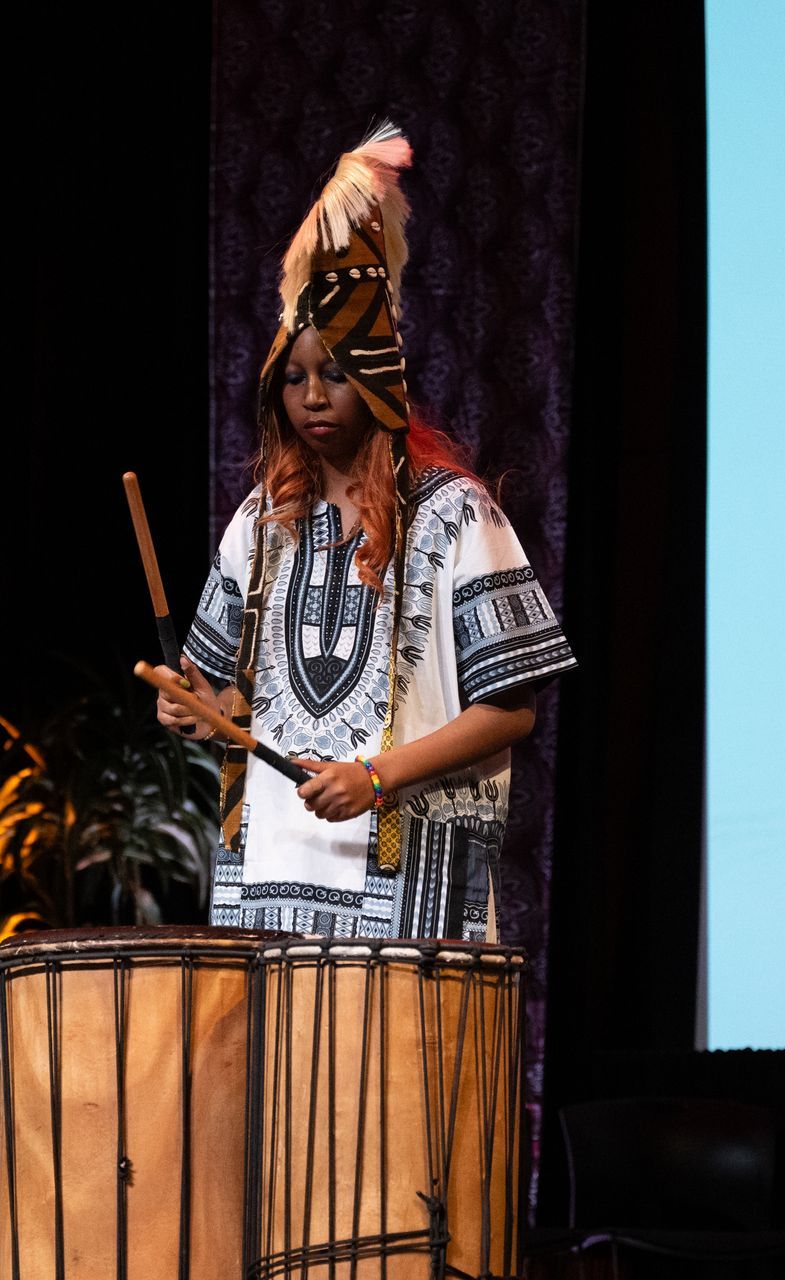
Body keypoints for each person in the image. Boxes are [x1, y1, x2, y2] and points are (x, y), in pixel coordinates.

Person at [154, 125, 576, 940]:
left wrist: (376, 778)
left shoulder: (457, 516)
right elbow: (243, 702)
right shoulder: (262, 525)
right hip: (271, 885)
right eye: (296, 378)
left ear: (380, 381)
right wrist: (196, 708)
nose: (312, 396)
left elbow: (512, 707)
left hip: (410, 893)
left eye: (337, 374)